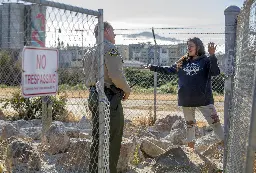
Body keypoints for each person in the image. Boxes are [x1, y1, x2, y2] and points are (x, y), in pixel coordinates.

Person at [148, 37, 224, 149]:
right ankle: (191, 150)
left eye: (191, 46)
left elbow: (215, 72)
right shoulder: (183, 61)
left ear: (198, 47)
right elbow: (170, 70)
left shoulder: (205, 60)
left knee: (215, 123)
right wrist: (153, 67)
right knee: (190, 125)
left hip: (204, 99)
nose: (189, 48)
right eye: (188, 46)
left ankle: (225, 145)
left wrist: (212, 55)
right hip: (186, 99)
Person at [83, 21, 131, 173]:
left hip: (93, 95)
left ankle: (94, 170)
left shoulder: (89, 51)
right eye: (113, 31)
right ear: (106, 31)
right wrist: (127, 90)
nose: (114, 34)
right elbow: (116, 76)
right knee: (112, 139)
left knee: (97, 138)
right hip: (109, 97)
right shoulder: (110, 49)